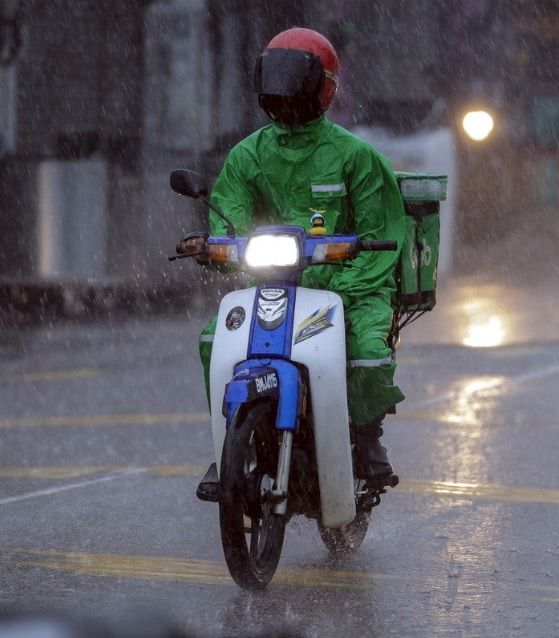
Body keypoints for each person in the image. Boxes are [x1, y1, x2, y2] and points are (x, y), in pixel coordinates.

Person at [178, 27, 406, 488]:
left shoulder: (356, 156)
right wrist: (213, 244)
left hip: (351, 288)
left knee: (364, 354)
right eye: (275, 76)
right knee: (214, 339)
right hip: (275, 285)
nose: (284, 89)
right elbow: (229, 219)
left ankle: (365, 438)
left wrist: (341, 282)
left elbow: (382, 239)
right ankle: (227, 443)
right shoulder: (247, 156)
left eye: (294, 76)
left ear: (321, 85)